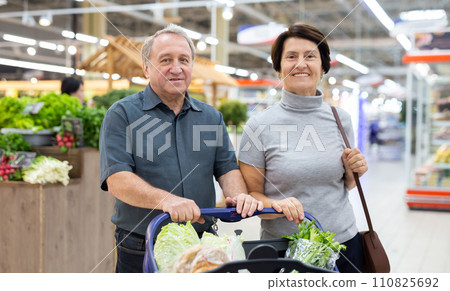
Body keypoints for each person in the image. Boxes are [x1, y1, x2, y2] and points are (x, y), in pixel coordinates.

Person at [99, 24, 263, 273]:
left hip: (201, 241)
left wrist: (238, 195)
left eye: (183, 60)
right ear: (146, 68)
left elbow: (227, 168)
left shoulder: (210, 117)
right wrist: (167, 201)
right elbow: (117, 179)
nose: (176, 68)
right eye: (165, 60)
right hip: (142, 243)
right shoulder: (122, 114)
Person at [238, 23, 368, 273]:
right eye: (291, 57)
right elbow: (252, 197)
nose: (300, 64)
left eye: (310, 56)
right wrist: (277, 204)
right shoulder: (258, 125)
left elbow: (345, 184)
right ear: (279, 68)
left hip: (343, 246)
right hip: (285, 251)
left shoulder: (341, 119)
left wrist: (355, 171)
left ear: (323, 66)